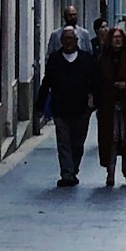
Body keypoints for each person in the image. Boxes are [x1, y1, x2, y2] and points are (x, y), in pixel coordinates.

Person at [35, 27, 98, 187]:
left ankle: (73, 169)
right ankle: (67, 174)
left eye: (71, 38)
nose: (68, 42)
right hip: (60, 108)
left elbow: (95, 82)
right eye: (65, 39)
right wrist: (40, 104)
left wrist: (95, 101)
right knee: (63, 142)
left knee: (77, 143)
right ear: (61, 41)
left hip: (81, 109)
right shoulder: (55, 60)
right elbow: (46, 82)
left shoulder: (86, 59)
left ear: (77, 41)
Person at [97, 27, 126, 186]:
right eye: (114, 37)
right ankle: (110, 172)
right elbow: (97, 80)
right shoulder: (103, 59)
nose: (117, 40)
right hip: (108, 104)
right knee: (111, 137)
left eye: (119, 38)